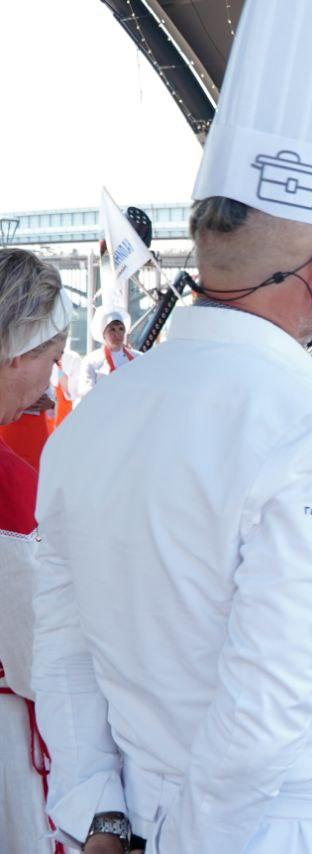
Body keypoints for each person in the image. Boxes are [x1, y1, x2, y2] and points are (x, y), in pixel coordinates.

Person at [33, 3, 312, 849]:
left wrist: (102, 812)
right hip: (284, 825)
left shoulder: (89, 419)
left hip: (151, 808)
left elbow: (63, 645)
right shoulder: (311, 426)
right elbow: (266, 699)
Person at [0, 249, 83, 854]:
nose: (50, 383)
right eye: (50, 361)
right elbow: (42, 660)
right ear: (16, 350)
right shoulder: (10, 487)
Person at [79, 307, 139, 400]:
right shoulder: (91, 361)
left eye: (121, 329)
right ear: (103, 334)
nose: (117, 334)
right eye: (112, 329)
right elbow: (85, 392)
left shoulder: (138, 358)